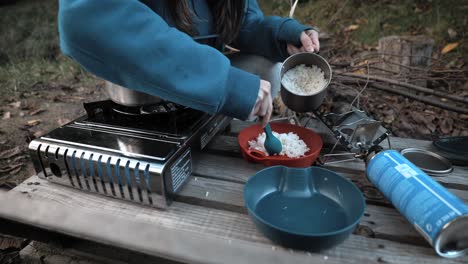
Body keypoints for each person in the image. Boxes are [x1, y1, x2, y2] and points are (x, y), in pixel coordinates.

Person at [58, 0, 319, 126]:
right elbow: (82, 19)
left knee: (269, 70)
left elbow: (242, 22)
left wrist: (279, 35)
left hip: (205, 90)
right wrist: (227, 84)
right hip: (146, 93)